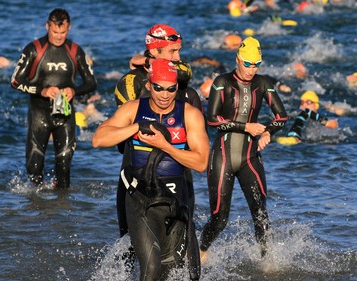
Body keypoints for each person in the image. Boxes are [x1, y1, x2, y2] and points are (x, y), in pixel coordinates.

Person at [92, 59, 209, 280]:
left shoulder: (189, 114)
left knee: (171, 271)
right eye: (158, 88)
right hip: (140, 201)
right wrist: (136, 127)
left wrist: (164, 145)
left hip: (174, 200)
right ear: (149, 85)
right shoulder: (134, 110)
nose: (165, 94)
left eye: (171, 89)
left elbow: (201, 162)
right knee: (151, 270)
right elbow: (98, 139)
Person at [199, 37, 288, 263]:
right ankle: (201, 250)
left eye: (256, 64)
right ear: (238, 59)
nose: (251, 69)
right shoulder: (222, 81)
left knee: (260, 216)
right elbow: (212, 120)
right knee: (219, 219)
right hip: (223, 156)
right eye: (247, 64)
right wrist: (245, 126)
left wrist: (268, 132)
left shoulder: (263, 83)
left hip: (250, 157)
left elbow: (282, 116)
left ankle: (267, 264)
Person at [11, 8, 97, 189]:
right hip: (39, 114)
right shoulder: (34, 49)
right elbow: (15, 81)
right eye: (55, 31)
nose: (59, 36)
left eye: (63, 32)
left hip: (65, 116)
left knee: (64, 170)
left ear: (69, 28)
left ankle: (63, 212)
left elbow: (91, 83)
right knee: (34, 169)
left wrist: (74, 91)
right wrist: (42, 91)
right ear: (47, 26)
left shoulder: (75, 50)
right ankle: (36, 212)